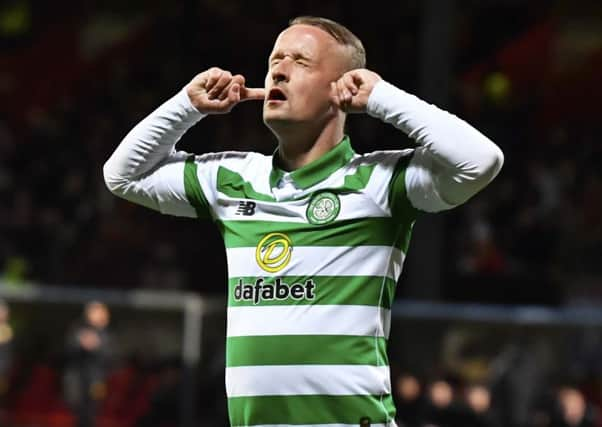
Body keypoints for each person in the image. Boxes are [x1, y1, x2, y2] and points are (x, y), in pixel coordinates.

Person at [103, 16, 503, 427]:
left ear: (344, 88)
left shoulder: (378, 184)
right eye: (275, 60)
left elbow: (480, 161)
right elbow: (122, 176)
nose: (278, 70)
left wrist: (383, 98)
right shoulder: (233, 179)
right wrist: (186, 106)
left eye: (301, 62)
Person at [63, 301, 112, 427]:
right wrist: (82, 344)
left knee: (92, 410)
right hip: (77, 379)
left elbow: (110, 356)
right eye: (93, 311)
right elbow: (69, 349)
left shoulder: (105, 333)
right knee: (76, 408)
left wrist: (96, 346)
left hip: (96, 379)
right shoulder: (77, 329)